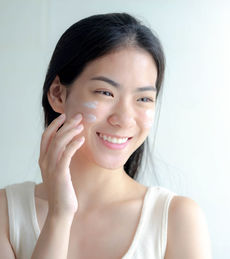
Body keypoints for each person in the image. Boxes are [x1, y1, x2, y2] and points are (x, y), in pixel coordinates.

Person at [0, 12, 212, 259]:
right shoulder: (7, 213)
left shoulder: (176, 220)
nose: (124, 119)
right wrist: (60, 215)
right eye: (105, 92)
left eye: (143, 99)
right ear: (58, 94)